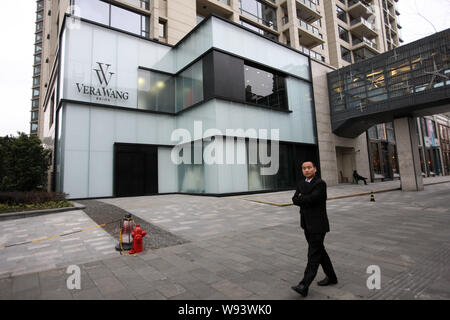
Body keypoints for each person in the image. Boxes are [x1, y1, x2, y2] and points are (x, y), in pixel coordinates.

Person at [291, 161, 338, 297]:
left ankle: (304, 285)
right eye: (304, 168)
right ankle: (332, 277)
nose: (306, 170)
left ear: (315, 169)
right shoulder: (301, 183)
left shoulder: (320, 183)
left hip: (318, 225)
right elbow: (294, 199)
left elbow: (314, 198)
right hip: (306, 224)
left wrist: (302, 198)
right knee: (320, 252)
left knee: (313, 254)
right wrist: (303, 199)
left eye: (309, 167)